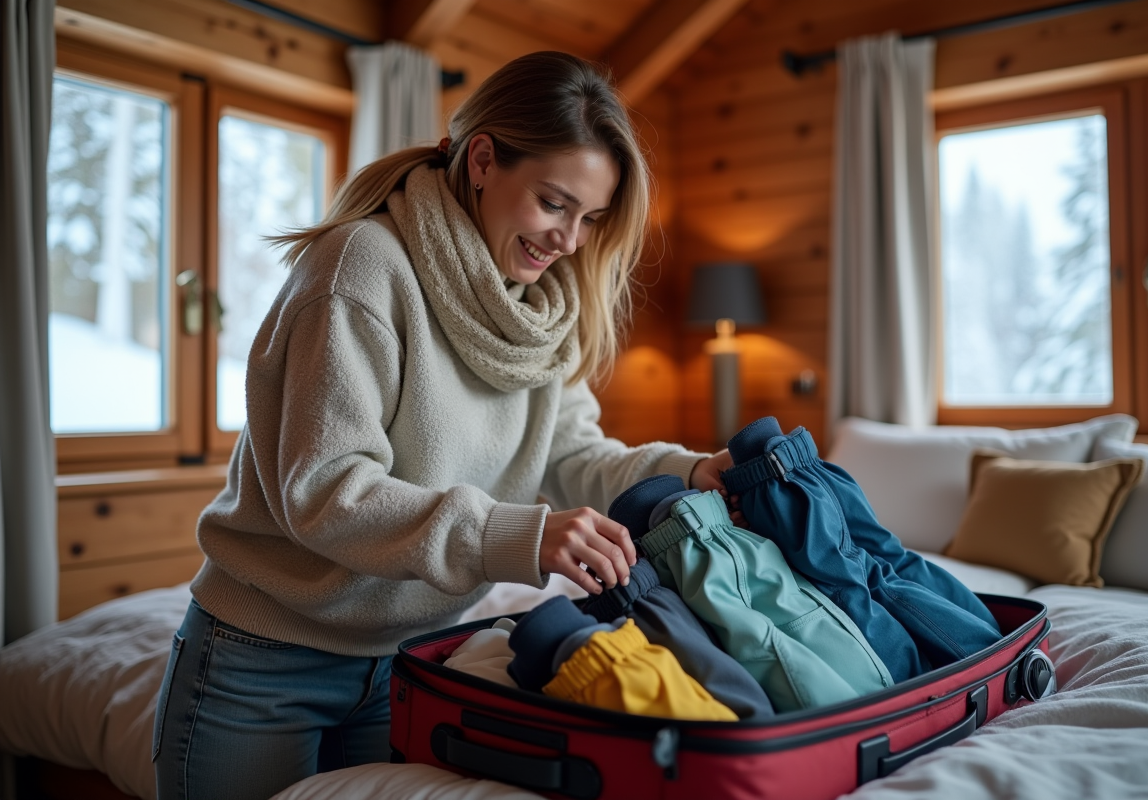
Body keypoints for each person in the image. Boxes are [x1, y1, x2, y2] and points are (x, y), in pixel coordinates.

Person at [152, 50, 733, 800]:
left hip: (412, 659)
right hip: (264, 659)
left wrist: (688, 471)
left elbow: (572, 453)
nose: (569, 241)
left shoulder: (539, 309)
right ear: (484, 160)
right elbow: (329, 491)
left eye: (589, 218)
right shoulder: (360, 268)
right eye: (554, 203)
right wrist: (518, 536)